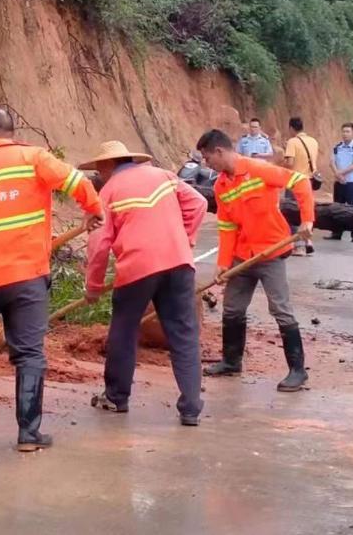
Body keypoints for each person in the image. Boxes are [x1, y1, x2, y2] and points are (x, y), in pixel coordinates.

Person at [0, 106, 103, 451]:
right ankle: (28, 434)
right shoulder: (33, 157)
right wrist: (94, 210)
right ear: (11, 132)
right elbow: (77, 182)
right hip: (25, 274)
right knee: (28, 352)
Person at [80, 141, 207, 426]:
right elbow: (199, 204)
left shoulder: (108, 192)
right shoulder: (163, 175)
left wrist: (94, 286)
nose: (99, 174)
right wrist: (185, 238)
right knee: (184, 334)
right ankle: (191, 407)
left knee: (124, 331)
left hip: (137, 268)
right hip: (178, 262)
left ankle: (116, 397)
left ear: (107, 165)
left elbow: (99, 244)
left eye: (99, 169)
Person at [197, 130, 314, 392]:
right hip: (242, 256)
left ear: (219, 151)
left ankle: (297, 371)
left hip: (270, 252)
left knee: (280, 309)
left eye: (207, 158)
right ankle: (231, 361)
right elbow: (226, 226)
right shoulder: (221, 186)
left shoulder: (258, 170)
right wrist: (223, 263)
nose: (206, 164)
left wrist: (307, 219)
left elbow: (300, 181)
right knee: (232, 309)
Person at [283, 117, 319, 256]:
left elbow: (290, 163)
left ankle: (297, 246)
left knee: (293, 213)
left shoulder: (292, 142)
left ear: (291, 128)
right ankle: (308, 241)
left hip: (295, 181)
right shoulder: (313, 141)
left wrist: (281, 164)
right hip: (309, 181)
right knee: (307, 212)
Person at [327, 122, 353, 243]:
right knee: (337, 207)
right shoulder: (337, 147)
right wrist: (337, 173)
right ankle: (337, 232)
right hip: (339, 182)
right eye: (343, 131)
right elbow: (332, 162)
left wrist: (341, 172)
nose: (345, 134)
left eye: (348, 131)